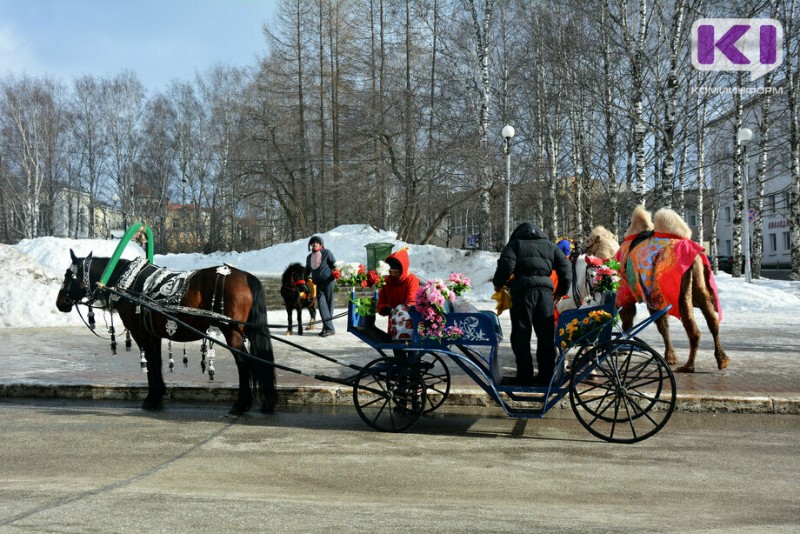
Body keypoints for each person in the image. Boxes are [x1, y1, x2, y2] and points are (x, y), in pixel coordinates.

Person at [492, 222, 572, 386]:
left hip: (522, 294)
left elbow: (506, 265)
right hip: (545, 295)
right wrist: (561, 292)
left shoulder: (515, 245)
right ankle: (546, 376)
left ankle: (525, 375)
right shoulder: (550, 246)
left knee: (521, 334)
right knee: (546, 335)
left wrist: (498, 283)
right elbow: (566, 268)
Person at [305, 235, 337, 337]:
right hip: (318, 284)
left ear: (320, 244)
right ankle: (329, 328)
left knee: (328, 304)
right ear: (310, 245)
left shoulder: (326, 252)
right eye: (313, 243)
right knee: (322, 305)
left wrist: (336, 272)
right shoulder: (309, 257)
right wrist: (303, 278)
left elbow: (334, 264)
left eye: (317, 243)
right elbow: (307, 270)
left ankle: (327, 328)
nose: (315, 245)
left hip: (328, 281)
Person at [376, 248, 420, 321]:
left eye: (396, 272)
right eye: (390, 271)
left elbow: (412, 301)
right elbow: (381, 303)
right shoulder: (386, 281)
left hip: (408, 321)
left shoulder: (411, 280)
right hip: (393, 322)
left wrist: (403, 310)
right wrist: (385, 308)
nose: (393, 274)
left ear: (402, 270)